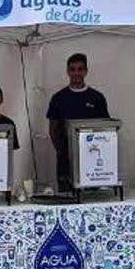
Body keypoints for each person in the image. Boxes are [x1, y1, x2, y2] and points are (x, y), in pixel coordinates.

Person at [47, 53, 110, 192]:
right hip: (66, 162)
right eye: (72, 69)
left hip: (92, 160)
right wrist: (63, 153)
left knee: (92, 199)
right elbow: (53, 130)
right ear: (67, 71)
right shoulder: (58, 98)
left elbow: (105, 129)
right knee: (67, 199)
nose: (76, 73)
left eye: (80, 69)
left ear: (86, 71)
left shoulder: (97, 98)